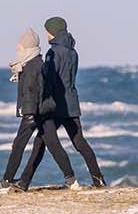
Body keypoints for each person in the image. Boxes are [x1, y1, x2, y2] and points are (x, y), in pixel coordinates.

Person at [0, 28, 80, 193]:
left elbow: (31, 91)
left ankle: (5, 183)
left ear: (26, 47)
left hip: (33, 113)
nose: (17, 47)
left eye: (20, 44)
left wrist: (27, 113)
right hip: (45, 111)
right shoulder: (37, 63)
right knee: (54, 145)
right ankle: (72, 181)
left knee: (18, 146)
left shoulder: (31, 66)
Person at [19, 16, 108, 189]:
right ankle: (98, 180)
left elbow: (51, 80)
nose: (46, 35)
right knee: (80, 143)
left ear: (52, 32)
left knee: (40, 142)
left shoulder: (53, 52)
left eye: (47, 32)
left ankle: (25, 182)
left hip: (57, 105)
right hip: (72, 103)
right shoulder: (73, 51)